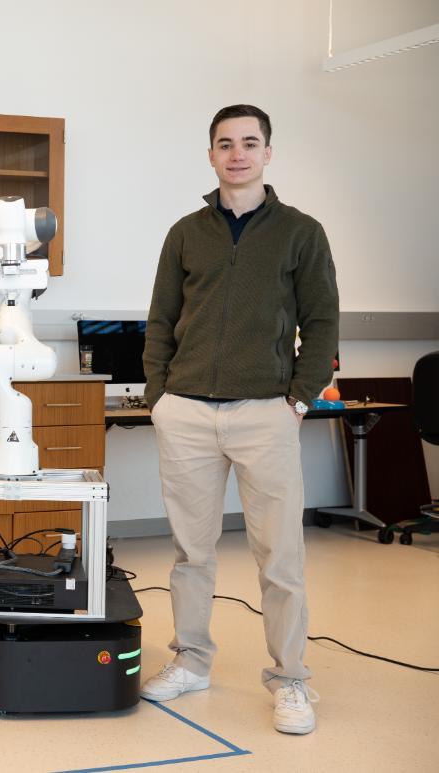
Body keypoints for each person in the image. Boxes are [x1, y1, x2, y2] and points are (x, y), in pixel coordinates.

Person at [139, 105, 339, 735]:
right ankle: (192, 662)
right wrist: (159, 396)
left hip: (265, 413)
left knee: (280, 555)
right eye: (225, 144)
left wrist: (299, 397)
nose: (237, 154)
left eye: (249, 143)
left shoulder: (301, 233)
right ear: (211, 155)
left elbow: (324, 320)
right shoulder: (186, 233)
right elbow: (160, 320)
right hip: (188, 413)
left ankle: (290, 682)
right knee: (191, 553)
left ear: (268, 153)